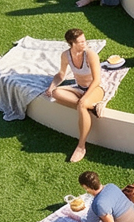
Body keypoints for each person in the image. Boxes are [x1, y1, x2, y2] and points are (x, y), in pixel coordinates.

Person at [42, 28, 105, 163]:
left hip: (96, 89)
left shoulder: (91, 55)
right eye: (81, 42)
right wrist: (51, 87)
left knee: (81, 105)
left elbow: (97, 80)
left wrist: (85, 98)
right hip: (79, 88)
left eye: (84, 40)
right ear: (72, 43)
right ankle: (92, 107)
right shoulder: (66, 55)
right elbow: (61, 75)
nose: (85, 43)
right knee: (56, 93)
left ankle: (81, 146)